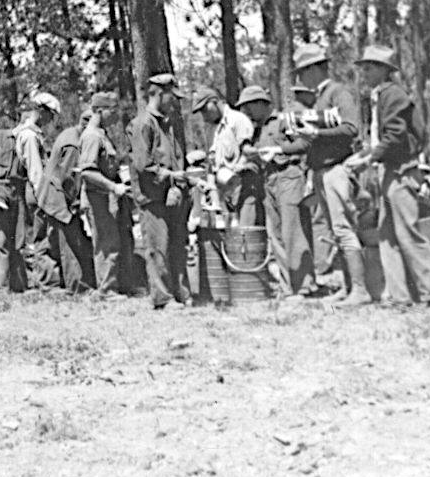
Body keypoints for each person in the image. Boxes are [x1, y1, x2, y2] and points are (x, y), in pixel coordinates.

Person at [345, 44, 430, 306]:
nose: (364, 74)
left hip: (401, 171)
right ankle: (399, 296)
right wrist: (365, 155)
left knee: (407, 232)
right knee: (387, 236)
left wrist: (369, 158)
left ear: (383, 70)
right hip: (389, 171)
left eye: (369, 68)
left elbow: (395, 136)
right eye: (363, 69)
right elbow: (384, 138)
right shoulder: (380, 95)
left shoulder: (393, 94)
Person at [290, 44, 369, 305]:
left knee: (344, 228)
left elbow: (351, 127)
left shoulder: (338, 92)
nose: (300, 77)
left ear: (314, 69)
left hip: (337, 169)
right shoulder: (320, 98)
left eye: (302, 71)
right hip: (321, 171)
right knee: (336, 231)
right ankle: (348, 287)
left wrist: (316, 133)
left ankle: (360, 289)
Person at [239, 84, 317, 300]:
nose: (247, 112)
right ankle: (287, 285)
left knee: (294, 232)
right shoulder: (256, 129)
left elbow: (305, 143)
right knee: (276, 235)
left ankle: (302, 285)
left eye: (249, 107)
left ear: (260, 104)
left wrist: (279, 150)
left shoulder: (284, 120)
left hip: (289, 176)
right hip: (269, 180)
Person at [129, 73, 191, 309]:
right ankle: (162, 298)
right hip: (152, 196)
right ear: (158, 93)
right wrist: (170, 175)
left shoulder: (167, 123)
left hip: (170, 195)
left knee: (173, 245)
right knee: (157, 248)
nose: (175, 102)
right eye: (171, 97)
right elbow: (143, 165)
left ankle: (179, 293)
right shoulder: (143, 123)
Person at [79, 91, 137, 296]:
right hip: (99, 198)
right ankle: (106, 291)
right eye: (112, 110)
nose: (115, 115)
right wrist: (113, 187)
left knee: (116, 241)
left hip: (110, 197)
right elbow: (86, 171)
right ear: (99, 111)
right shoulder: (92, 136)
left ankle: (118, 286)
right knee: (106, 244)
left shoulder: (103, 135)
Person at [37, 107, 98, 293]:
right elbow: (68, 177)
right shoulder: (73, 143)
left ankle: (52, 283)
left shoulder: (71, 134)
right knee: (70, 242)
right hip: (58, 197)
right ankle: (77, 286)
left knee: (52, 241)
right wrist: (74, 205)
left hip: (51, 195)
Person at [0, 102, 35, 292]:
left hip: (17, 191)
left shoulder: (28, 143)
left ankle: (19, 285)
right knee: (0, 239)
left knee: (19, 239)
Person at [192, 86, 260, 225]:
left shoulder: (238, 120)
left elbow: (249, 152)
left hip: (245, 187)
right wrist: (210, 186)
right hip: (223, 194)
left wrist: (237, 168)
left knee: (246, 234)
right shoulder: (211, 128)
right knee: (229, 237)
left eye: (205, 109)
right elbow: (211, 161)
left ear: (215, 101)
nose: (204, 115)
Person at [15, 92, 62, 289]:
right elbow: (35, 171)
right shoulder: (30, 136)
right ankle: (47, 282)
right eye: (50, 115)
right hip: (37, 190)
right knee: (42, 235)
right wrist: (44, 196)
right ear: (41, 112)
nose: (51, 120)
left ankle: (48, 278)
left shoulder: (32, 134)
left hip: (37, 189)